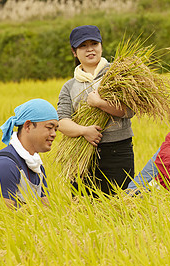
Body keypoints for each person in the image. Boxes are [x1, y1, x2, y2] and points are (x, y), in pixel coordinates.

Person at [57, 25, 135, 195]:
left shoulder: (118, 75)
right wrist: (84, 131)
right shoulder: (69, 87)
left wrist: (100, 103)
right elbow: (61, 121)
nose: (90, 49)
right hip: (82, 155)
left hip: (119, 152)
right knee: (85, 211)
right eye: (83, 46)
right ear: (74, 52)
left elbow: (129, 110)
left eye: (94, 43)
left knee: (121, 207)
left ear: (101, 45)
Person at [0, 99, 59, 218]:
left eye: (56, 129)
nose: (54, 134)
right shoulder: (5, 166)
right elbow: (1, 222)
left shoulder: (36, 166)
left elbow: (47, 213)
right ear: (28, 126)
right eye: (49, 127)